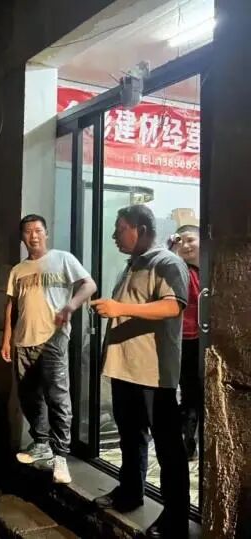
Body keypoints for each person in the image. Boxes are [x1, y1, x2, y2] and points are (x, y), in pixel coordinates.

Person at [91, 205, 190, 539]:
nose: (114, 235)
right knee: (131, 438)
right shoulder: (134, 263)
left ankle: (175, 518)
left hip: (153, 374)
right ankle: (130, 492)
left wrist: (119, 308)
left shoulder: (167, 262)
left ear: (142, 229)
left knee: (167, 446)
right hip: (126, 369)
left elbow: (173, 305)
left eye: (120, 228)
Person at [1, 214, 97, 484]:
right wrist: (6, 339)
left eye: (38, 230)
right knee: (29, 396)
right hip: (23, 341)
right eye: (28, 231)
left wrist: (71, 306)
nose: (33, 236)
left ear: (46, 233)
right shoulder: (18, 270)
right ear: (22, 237)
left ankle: (61, 455)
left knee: (57, 397)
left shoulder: (63, 259)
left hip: (53, 338)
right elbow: (11, 307)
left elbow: (89, 285)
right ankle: (41, 443)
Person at [170, 225, 202, 460]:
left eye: (191, 240)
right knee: (190, 393)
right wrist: (171, 249)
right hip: (184, 340)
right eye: (181, 241)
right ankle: (187, 444)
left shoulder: (213, 269)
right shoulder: (180, 270)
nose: (186, 245)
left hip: (207, 340)